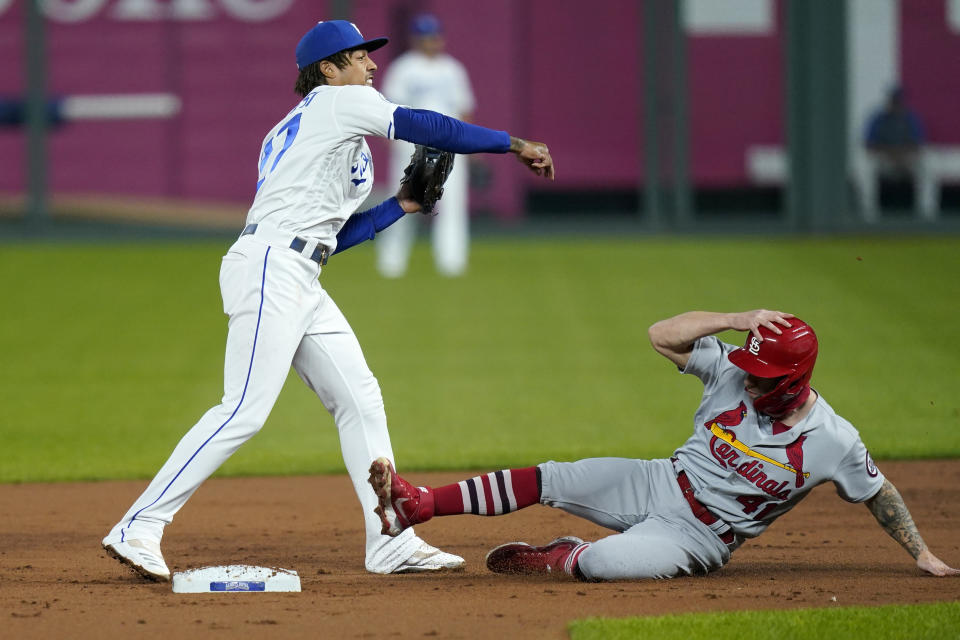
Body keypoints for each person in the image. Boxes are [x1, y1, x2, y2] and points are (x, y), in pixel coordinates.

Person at [101, 19, 554, 582]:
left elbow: (329, 238)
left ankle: (391, 538)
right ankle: (139, 525)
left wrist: (402, 208)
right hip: (270, 268)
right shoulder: (334, 104)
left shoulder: (318, 131)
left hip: (298, 272)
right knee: (243, 410)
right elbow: (428, 125)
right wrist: (513, 144)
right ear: (326, 70)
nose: (370, 66)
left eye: (369, 56)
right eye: (357, 57)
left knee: (359, 398)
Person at [368, 309, 959, 580]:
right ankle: (419, 505)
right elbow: (660, 336)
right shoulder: (731, 368)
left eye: (761, 374)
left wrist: (922, 554)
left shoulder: (832, 439)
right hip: (658, 479)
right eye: (747, 365)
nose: (746, 376)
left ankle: (561, 556)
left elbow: (880, 493)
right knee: (552, 476)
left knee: (602, 563)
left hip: (697, 537)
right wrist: (736, 317)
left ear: (795, 381)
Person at [375, 13, 476, 278]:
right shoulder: (404, 68)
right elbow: (390, 110)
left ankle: (452, 263)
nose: (431, 41)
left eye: (433, 36)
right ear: (415, 39)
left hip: (449, 146)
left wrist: (467, 143)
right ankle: (391, 263)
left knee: (451, 206)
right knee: (404, 204)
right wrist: (395, 145)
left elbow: (464, 109)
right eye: (425, 37)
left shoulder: (452, 69)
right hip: (413, 147)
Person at [856, 86, 937, 221]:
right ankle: (869, 214)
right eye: (893, 100)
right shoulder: (878, 118)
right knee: (864, 167)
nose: (895, 104)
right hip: (884, 160)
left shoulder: (911, 118)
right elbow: (868, 145)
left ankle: (926, 214)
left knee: (928, 165)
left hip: (907, 160)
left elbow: (918, 145)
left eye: (898, 101)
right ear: (888, 101)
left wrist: (901, 155)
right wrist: (892, 154)